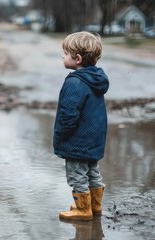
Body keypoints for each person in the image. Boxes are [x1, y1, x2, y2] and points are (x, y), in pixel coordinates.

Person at [53, 32, 109, 221]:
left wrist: (60, 136)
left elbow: (68, 115)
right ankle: (95, 205)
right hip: (94, 139)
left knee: (77, 174)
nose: (63, 56)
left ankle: (83, 209)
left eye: (66, 53)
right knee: (92, 171)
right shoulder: (95, 79)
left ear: (77, 59)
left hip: (77, 140)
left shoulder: (75, 82)